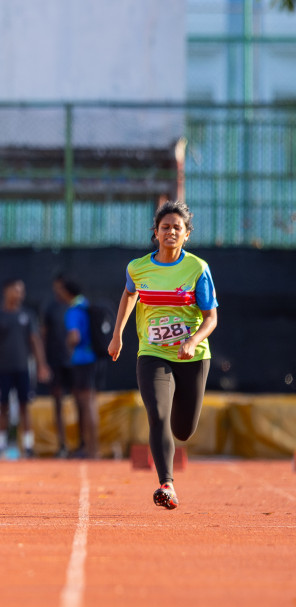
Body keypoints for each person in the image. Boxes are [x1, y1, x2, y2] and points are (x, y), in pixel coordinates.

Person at [108, 201, 218, 510]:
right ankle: (166, 484)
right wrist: (118, 335)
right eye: (165, 227)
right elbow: (129, 294)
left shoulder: (197, 269)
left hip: (192, 357)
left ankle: (173, 438)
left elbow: (211, 318)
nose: (171, 232)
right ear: (155, 233)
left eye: (177, 228)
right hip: (153, 352)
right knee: (157, 414)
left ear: (186, 235)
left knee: (183, 429)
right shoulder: (138, 267)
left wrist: (193, 340)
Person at [0, 279, 49, 458]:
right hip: (3, 368)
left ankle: (28, 447)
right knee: (2, 406)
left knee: (24, 407)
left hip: (23, 369)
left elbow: (35, 341)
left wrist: (42, 365)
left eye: (21, 291)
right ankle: (0, 446)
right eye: (16, 290)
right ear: (6, 291)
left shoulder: (27, 315)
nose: (19, 294)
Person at [61, 277, 100, 459]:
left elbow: (74, 337)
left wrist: (67, 346)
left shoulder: (73, 311)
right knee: (90, 402)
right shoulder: (85, 305)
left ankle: (90, 449)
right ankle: (93, 448)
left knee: (86, 404)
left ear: (66, 292)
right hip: (93, 358)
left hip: (81, 360)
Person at [42, 274, 78, 457]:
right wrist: (43, 363)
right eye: (56, 287)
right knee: (57, 402)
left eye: (61, 287)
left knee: (80, 401)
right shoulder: (51, 308)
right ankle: (62, 445)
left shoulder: (76, 306)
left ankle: (81, 444)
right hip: (55, 361)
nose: (58, 290)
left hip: (75, 362)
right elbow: (43, 334)